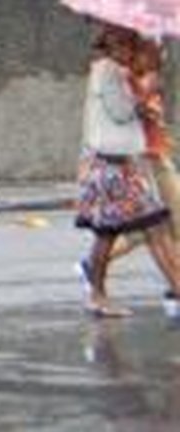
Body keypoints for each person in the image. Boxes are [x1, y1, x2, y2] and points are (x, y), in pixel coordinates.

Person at [75, 24, 180, 318]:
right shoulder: (107, 71)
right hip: (110, 167)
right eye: (123, 45)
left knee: (125, 232)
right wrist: (142, 93)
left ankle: (97, 292)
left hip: (122, 165)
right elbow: (120, 111)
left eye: (130, 45)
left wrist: (144, 95)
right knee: (144, 229)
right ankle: (96, 293)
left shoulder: (116, 72)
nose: (127, 51)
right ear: (110, 45)